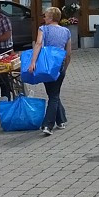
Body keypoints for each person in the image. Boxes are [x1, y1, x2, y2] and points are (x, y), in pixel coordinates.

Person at [28, 7, 73, 136]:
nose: (44, 18)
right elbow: (68, 52)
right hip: (60, 64)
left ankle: (48, 125)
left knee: (53, 95)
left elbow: (38, 44)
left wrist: (33, 62)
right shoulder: (66, 31)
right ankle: (61, 120)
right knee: (54, 93)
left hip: (47, 65)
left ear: (51, 17)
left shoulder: (43, 29)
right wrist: (65, 67)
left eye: (46, 16)